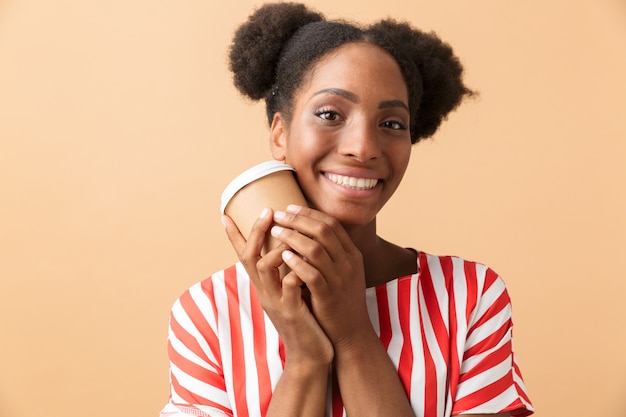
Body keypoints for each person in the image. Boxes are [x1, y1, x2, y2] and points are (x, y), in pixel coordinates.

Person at [160, 3, 533, 417]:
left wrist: (353, 333)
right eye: (330, 114)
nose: (363, 147)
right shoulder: (206, 314)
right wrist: (304, 356)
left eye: (392, 123)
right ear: (280, 134)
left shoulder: (469, 297)